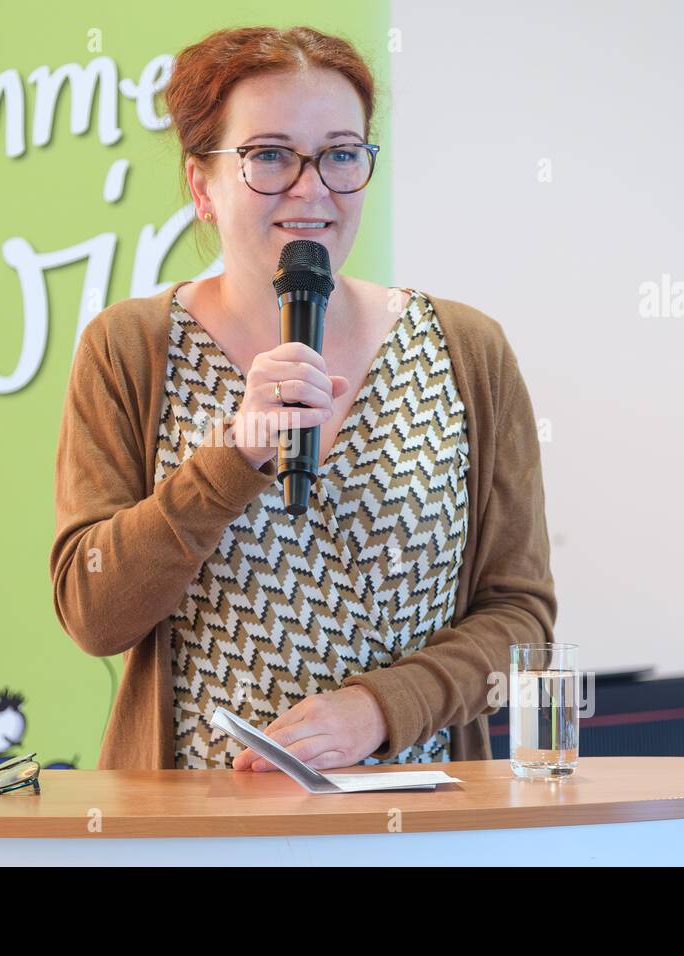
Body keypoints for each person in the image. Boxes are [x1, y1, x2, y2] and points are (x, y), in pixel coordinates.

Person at [50, 25, 556, 772]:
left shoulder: (467, 349)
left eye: (341, 154)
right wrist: (232, 456)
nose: (311, 188)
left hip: (426, 817)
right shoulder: (128, 348)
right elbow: (93, 614)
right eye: (270, 156)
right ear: (202, 185)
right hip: (198, 822)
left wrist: (379, 710)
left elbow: (524, 622)